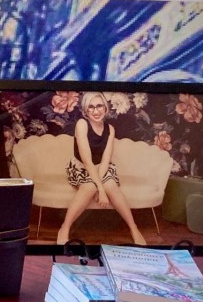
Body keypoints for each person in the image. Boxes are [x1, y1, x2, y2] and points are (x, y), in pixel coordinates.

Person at [56, 92, 147, 246]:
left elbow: (105, 160)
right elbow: (86, 160)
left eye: (99, 106)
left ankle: (134, 228)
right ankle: (64, 228)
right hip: (81, 167)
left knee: (111, 185)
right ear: (85, 111)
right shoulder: (82, 124)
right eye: (91, 107)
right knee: (90, 186)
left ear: (105, 108)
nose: (96, 111)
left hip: (102, 167)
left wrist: (103, 187)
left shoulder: (110, 129)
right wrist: (100, 188)